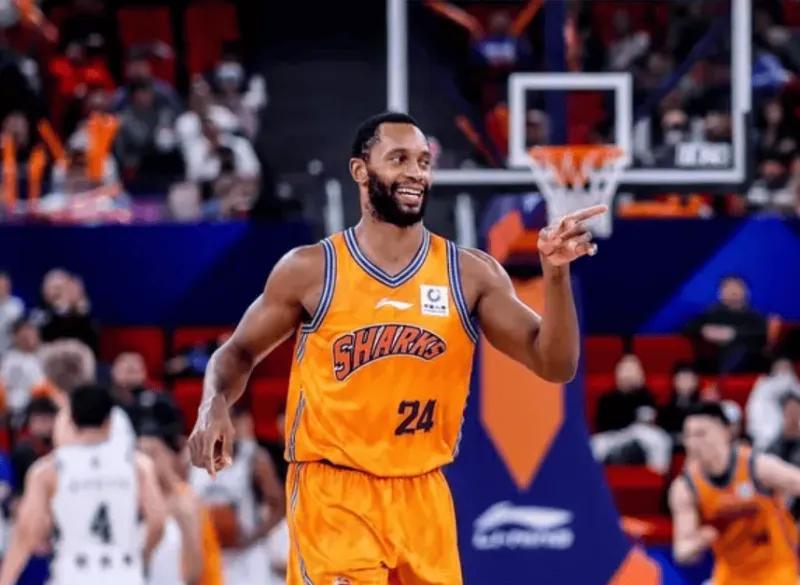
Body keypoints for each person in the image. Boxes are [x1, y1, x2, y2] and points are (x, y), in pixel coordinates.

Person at [188, 111, 604, 584]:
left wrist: (555, 274)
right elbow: (237, 352)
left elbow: (555, 363)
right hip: (336, 493)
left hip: (423, 493)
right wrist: (213, 404)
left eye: (424, 161)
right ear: (360, 170)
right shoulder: (312, 270)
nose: (415, 172)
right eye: (399, 159)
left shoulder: (469, 273)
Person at [0, 384, 166, 585]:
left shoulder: (49, 470)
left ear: (71, 420)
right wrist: (142, 554)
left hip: (74, 573)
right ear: (110, 421)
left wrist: (5, 580)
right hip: (124, 572)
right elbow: (157, 522)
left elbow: (27, 533)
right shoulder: (137, 465)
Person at [668, 402, 800, 585]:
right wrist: (704, 537)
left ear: (725, 432)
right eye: (688, 435)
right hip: (730, 577)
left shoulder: (757, 466)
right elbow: (681, 551)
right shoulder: (685, 488)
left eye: (701, 433)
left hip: (777, 572)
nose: (694, 442)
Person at [191, 402, 285, 585]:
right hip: (210, 554)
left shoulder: (254, 458)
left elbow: (280, 505)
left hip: (246, 559)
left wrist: (254, 536)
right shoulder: (193, 459)